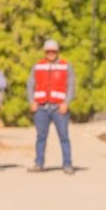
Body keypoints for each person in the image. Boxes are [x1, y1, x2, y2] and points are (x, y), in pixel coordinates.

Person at [26, 39, 75, 174]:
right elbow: (30, 84)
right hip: (41, 108)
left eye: (53, 51)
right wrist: (32, 101)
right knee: (41, 137)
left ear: (57, 51)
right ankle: (39, 163)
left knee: (64, 137)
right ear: (45, 52)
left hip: (59, 108)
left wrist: (66, 102)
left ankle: (67, 164)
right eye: (48, 51)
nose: (51, 53)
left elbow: (71, 85)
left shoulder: (66, 65)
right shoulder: (38, 66)